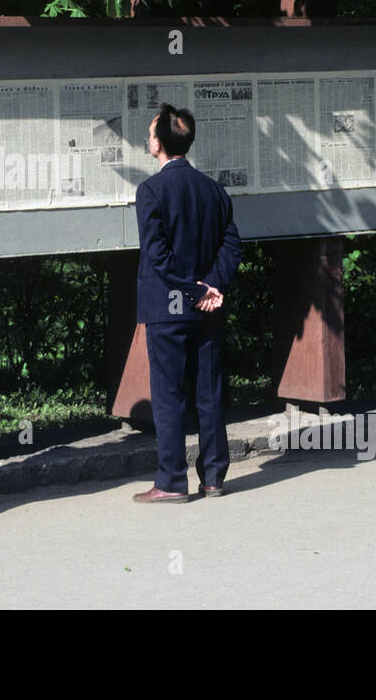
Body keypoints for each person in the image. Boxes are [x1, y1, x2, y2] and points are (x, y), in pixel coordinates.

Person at [132, 103, 244, 503]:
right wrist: (212, 285)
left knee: (168, 394)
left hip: (168, 306)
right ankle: (214, 477)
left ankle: (171, 481)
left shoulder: (151, 191)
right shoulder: (214, 190)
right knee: (209, 391)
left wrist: (194, 289)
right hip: (208, 308)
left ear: (160, 144)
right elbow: (232, 244)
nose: (148, 139)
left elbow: (157, 255)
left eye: (150, 135)